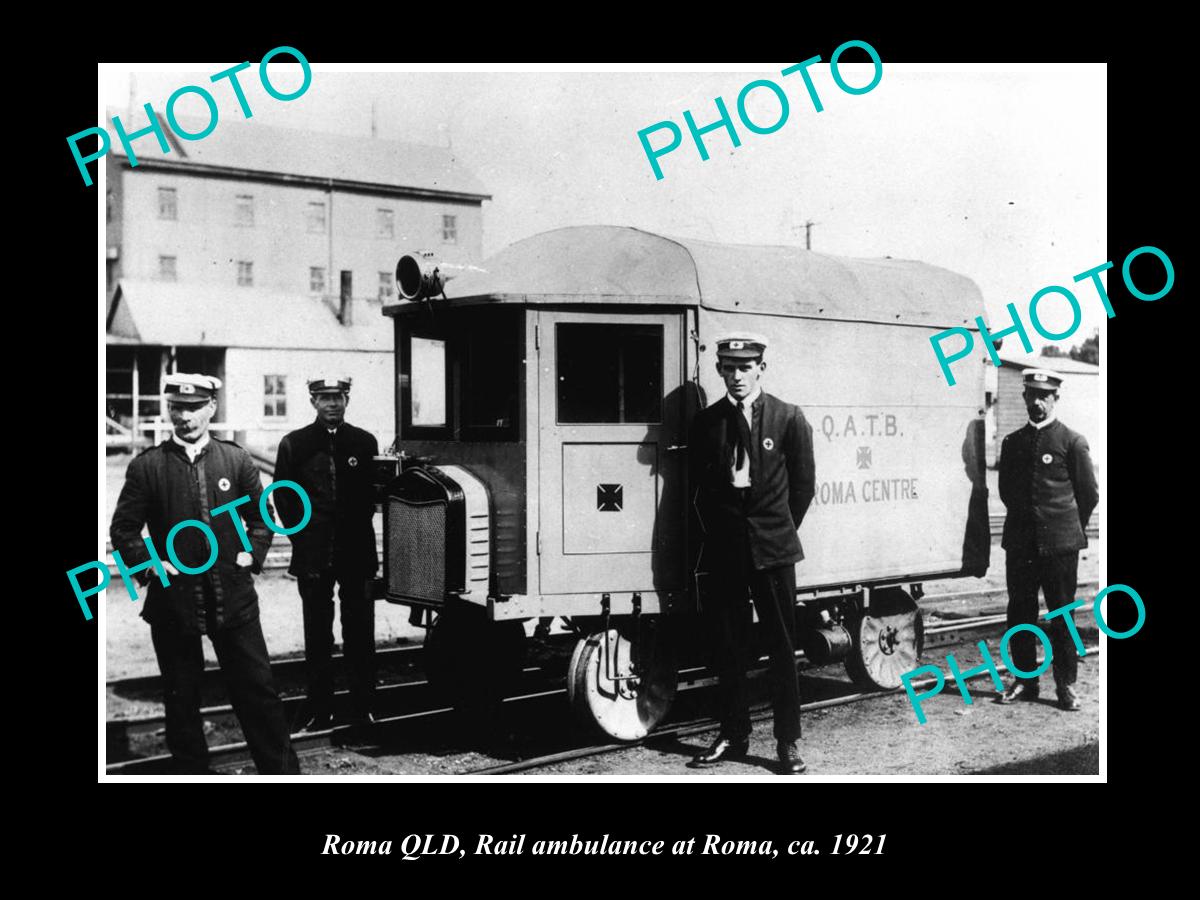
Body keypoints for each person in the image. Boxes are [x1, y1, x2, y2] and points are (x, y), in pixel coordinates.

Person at [110, 373, 300, 774]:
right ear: (168, 410)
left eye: (194, 408)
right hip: (173, 601)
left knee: (258, 692)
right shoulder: (148, 467)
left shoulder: (235, 459)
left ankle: (282, 774)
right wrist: (148, 563)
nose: (185, 417)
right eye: (177, 408)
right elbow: (123, 530)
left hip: (233, 597)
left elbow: (262, 516)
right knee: (181, 699)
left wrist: (255, 551)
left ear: (211, 408)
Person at [687, 334, 816, 775]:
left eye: (745, 367)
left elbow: (802, 488)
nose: (737, 376)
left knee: (782, 648)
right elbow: (699, 490)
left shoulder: (787, 418)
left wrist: (774, 531)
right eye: (729, 368)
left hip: (774, 551)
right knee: (729, 648)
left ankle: (788, 742)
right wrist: (729, 535)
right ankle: (733, 733)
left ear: (762, 367)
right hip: (728, 552)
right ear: (720, 370)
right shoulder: (708, 423)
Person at [274, 377, 380, 730]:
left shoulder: (364, 443)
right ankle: (320, 707)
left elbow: (371, 496)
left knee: (360, 631)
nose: (331, 404)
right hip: (313, 555)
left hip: (356, 554)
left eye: (337, 397)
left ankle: (363, 704)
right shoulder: (295, 444)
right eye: (324, 398)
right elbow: (284, 497)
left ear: (347, 399)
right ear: (313, 401)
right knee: (318, 634)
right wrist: (303, 541)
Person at [997, 368, 1099, 711]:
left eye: (1045, 396)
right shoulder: (1012, 443)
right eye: (1032, 395)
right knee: (1020, 613)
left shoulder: (1072, 441)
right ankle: (1025, 680)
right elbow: (1007, 492)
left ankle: (1065, 685)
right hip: (1022, 546)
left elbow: (1088, 495)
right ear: (1024, 397)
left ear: (1056, 398)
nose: (1037, 402)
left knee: (1062, 615)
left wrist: (1067, 528)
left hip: (1060, 546)